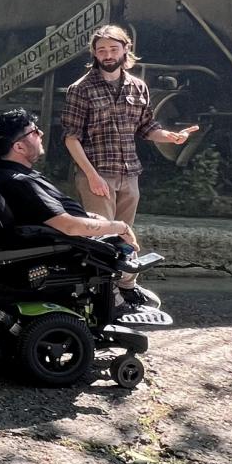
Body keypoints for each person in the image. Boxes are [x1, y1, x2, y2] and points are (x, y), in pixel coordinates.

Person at [60, 25, 196, 304]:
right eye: (101, 50)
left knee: (126, 236)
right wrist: (92, 176)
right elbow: (71, 138)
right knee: (102, 239)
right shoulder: (81, 89)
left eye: (113, 49)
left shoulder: (138, 86)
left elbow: (147, 127)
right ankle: (104, 296)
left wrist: (170, 136)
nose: (107, 55)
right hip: (96, 174)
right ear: (94, 54)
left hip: (129, 172)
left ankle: (126, 286)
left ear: (125, 49)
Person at [0, 108, 158, 318]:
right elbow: (69, 226)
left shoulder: (8, 175)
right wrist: (120, 226)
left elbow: (53, 213)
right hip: (63, 249)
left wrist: (93, 218)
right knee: (119, 242)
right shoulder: (20, 182)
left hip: (59, 240)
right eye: (33, 131)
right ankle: (117, 303)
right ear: (19, 146)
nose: (40, 134)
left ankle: (124, 292)